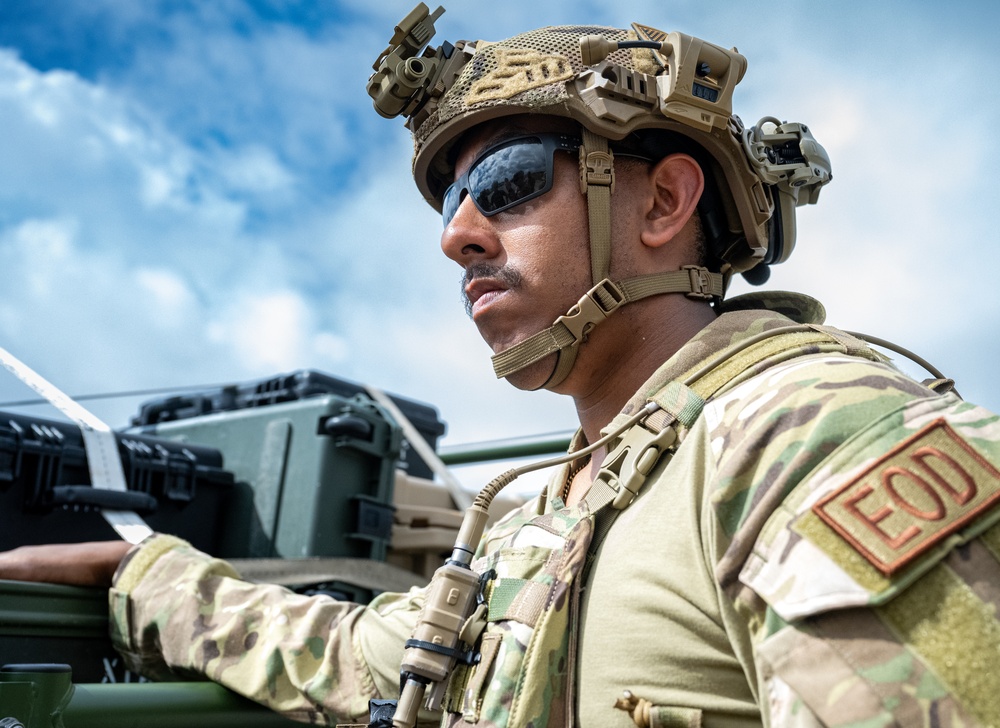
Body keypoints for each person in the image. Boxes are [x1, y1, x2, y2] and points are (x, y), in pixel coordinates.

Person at [4, 7, 1000, 727]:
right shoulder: (548, 509)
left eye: (507, 181)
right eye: (450, 202)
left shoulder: (813, 443)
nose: (459, 238)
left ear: (661, 204)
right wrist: (148, 572)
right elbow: (364, 661)